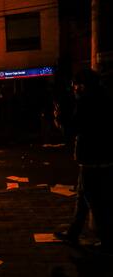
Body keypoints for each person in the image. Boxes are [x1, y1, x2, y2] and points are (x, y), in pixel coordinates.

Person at [54, 69, 113, 254]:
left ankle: (107, 241)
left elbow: (71, 129)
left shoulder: (87, 102)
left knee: (95, 201)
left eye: (75, 85)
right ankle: (73, 232)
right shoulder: (104, 98)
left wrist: (59, 117)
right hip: (101, 158)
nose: (73, 89)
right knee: (82, 197)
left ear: (82, 85)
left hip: (93, 159)